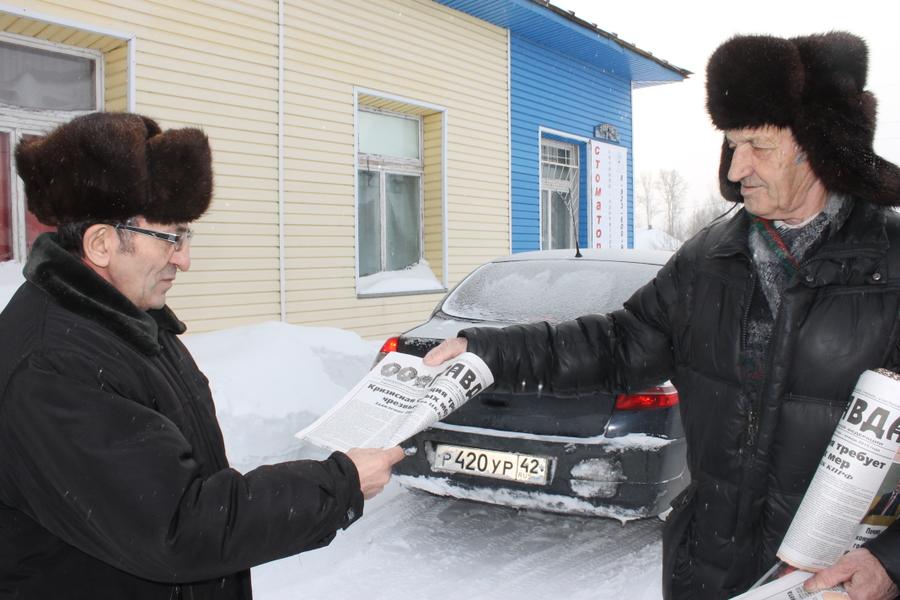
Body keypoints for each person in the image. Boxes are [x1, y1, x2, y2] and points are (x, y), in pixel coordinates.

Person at [425, 32, 900, 599]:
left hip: (837, 582)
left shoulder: (891, 264)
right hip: (709, 572)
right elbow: (620, 342)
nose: (737, 164)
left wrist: (890, 563)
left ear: (818, 146)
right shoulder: (711, 256)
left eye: (758, 144)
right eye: (730, 143)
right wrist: (492, 350)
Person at [0, 112, 404, 599]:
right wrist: (339, 485)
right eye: (171, 237)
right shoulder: (56, 362)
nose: (184, 259)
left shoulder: (128, 320)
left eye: (186, 236)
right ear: (102, 243)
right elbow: (177, 526)